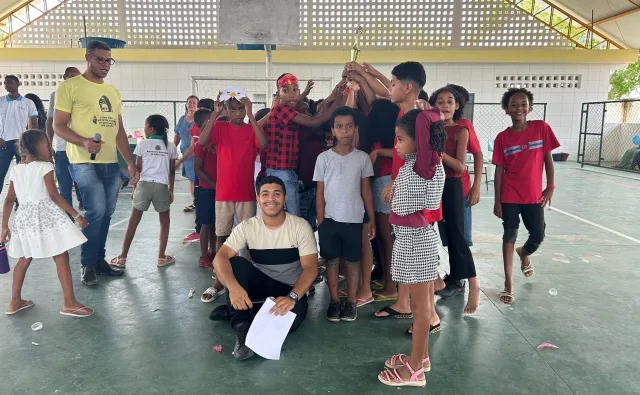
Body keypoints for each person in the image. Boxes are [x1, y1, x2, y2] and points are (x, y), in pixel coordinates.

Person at [53, 40, 139, 286]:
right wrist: (83, 141)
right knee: (96, 211)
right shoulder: (70, 87)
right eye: (100, 59)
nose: (105, 65)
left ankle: (99, 261)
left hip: (110, 162)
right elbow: (58, 125)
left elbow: (119, 131)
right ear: (88, 58)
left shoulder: (112, 92)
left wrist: (130, 163)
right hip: (83, 161)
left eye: (109, 60)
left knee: (107, 213)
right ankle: (87, 264)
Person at [212, 176, 319, 361]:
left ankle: (236, 310)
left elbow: (310, 268)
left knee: (291, 325)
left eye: (277, 194)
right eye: (265, 194)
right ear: (258, 199)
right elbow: (219, 258)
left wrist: (293, 297)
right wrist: (234, 288)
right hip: (260, 283)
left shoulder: (300, 226)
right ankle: (242, 331)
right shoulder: (247, 226)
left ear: (285, 198)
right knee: (236, 264)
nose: (271, 199)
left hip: (289, 290)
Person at [377, 109, 446, 388]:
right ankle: (422, 356)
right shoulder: (420, 165)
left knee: (421, 312)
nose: (397, 145)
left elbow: (403, 206)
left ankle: (415, 370)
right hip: (416, 240)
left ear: (419, 139)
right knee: (423, 306)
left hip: (416, 243)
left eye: (401, 139)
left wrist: (395, 194)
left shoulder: (420, 170)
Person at [1, 130, 93, 317]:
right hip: (46, 216)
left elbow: (9, 200)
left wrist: (4, 226)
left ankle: (14, 301)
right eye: (46, 144)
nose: (49, 148)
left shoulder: (16, 169)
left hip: (24, 218)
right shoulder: (44, 167)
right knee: (60, 256)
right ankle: (69, 302)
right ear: (37, 147)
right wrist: (76, 215)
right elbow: (53, 195)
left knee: (24, 258)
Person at [373, 62, 435, 323]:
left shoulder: (419, 116)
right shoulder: (405, 112)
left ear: (408, 87)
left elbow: (422, 160)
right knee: (405, 248)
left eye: (394, 83)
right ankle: (403, 302)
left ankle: (429, 315)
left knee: (420, 256)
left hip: (414, 195)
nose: (389, 88)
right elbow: (381, 91)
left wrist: (396, 183)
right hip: (403, 190)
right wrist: (368, 73)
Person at [493, 88, 559, 304]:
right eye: (513, 104)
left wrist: (549, 186)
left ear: (530, 107)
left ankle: (525, 252)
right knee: (509, 234)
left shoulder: (541, 128)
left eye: (523, 104)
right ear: (506, 109)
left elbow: (548, 159)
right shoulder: (502, 138)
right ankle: (508, 283)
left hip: (533, 196)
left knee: (538, 235)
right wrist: (497, 200)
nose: (519, 108)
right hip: (510, 194)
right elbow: (499, 170)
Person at [314, 106, 375, 322]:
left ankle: (350, 302)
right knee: (331, 261)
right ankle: (333, 301)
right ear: (333, 130)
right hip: (329, 220)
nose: (345, 131)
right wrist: (320, 220)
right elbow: (320, 191)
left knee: (352, 263)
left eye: (349, 126)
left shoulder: (362, 158)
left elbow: (366, 190)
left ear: (356, 128)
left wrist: (371, 219)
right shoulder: (323, 158)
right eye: (339, 127)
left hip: (355, 219)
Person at [429, 85, 480, 315]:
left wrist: (439, 154)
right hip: (433, 186)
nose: (445, 105)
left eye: (449, 101)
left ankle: (474, 285)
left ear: (457, 105)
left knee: (459, 236)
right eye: (440, 101)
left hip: (452, 185)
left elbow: (460, 167)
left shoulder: (461, 130)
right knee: (443, 236)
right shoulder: (431, 128)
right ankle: (450, 279)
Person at [262, 73, 339, 216]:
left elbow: (297, 103)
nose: (291, 94)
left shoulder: (284, 108)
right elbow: (313, 122)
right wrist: (337, 110)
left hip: (283, 170)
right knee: (293, 216)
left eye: (295, 89)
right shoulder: (280, 109)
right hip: (282, 171)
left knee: (288, 215)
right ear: (277, 93)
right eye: (286, 90)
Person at [199, 95, 267, 250]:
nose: (238, 113)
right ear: (227, 111)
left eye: (241, 109)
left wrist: (251, 115)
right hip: (224, 193)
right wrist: (215, 114)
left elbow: (263, 144)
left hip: (245, 192)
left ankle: (245, 267)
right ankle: (220, 269)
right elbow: (202, 141)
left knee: (247, 235)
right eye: (233, 110)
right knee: (222, 234)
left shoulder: (252, 129)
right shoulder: (219, 127)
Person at [109, 114, 177, 268]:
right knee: (164, 222)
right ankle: (161, 257)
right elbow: (172, 171)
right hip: (161, 187)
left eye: (145, 126)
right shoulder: (171, 146)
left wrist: (135, 189)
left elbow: (137, 170)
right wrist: (171, 190)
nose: (144, 129)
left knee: (133, 221)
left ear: (151, 129)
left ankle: (122, 258)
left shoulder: (143, 144)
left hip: (144, 185)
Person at [366, 99, 400, 300]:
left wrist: (377, 153)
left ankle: (390, 286)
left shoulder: (389, 140)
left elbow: (398, 154)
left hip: (384, 184)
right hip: (381, 183)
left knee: (387, 239)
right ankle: (388, 279)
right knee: (382, 238)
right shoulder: (386, 136)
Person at [46, 67, 84, 213]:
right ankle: (68, 217)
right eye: (71, 76)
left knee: (82, 184)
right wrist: (49, 144)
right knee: (64, 186)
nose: (74, 79)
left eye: (77, 77)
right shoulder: (55, 95)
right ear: (64, 77)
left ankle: (83, 209)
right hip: (62, 150)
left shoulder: (84, 94)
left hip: (80, 149)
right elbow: (50, 120)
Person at [0, 75, 39, 195]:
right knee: (0, 173)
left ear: (18, 84)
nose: (7, 85)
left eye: (11, 82)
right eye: (6, 83)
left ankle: (20, 201)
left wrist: (29, 143)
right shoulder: (0, 101)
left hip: (21, 143)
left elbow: (33, 124)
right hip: (3, 143)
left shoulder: (28, 103)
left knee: (22, 174)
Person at [174, 95, 199, 213]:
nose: (191, 104)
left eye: (194, 103)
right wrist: (173, 148)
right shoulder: (182, 119)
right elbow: (177, 135)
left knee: (198, 178)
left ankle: (200, 201)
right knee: (191, 179)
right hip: (186, 155)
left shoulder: (199, 120)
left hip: (196, 154)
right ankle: (195, 201)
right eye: (190, 102)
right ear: (186, 104)